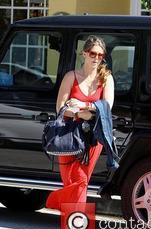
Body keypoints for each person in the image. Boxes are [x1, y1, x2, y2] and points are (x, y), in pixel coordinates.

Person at [46, 35, 115, 210]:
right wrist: (83, 113)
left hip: (92, 138)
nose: (96, 58)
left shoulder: (106, 79)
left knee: (81, 180)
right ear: (84, 53)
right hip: (68, 134)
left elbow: (105, 109)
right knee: (70, 180)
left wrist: (83, 106)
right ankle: (68, 218)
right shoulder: (71, 77)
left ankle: (76, 228)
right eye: (93, 54)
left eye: (100, 55)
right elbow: (60, 109)